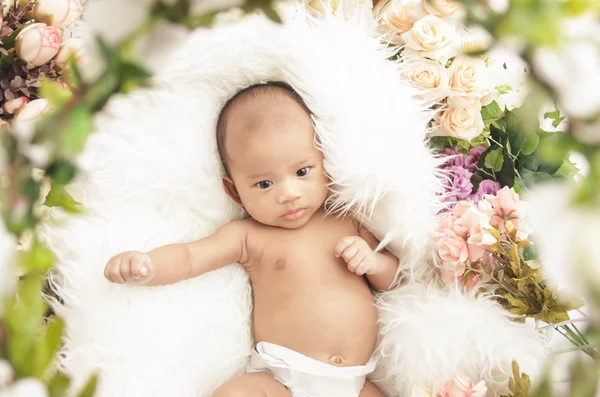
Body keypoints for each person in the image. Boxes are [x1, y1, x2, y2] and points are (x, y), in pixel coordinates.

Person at [104, 82, 399, 397]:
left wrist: (373, 261)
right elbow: (191, 257)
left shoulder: (345, 220)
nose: (288, 194)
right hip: (283, 380)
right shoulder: (248, 236)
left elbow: (393, 280)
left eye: (302, 172)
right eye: (264, 183)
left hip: (355, 384)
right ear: (234, 191)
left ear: (324, 164)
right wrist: (147, 264)